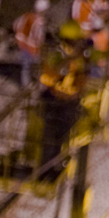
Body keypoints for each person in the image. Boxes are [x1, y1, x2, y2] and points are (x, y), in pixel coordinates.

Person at [35, 20, 90, 180]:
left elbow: (82, 79)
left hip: (68, 102)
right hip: (53, 101)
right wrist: (68, 62)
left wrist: (75, 91)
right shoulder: (56, 55)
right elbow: (47, 77)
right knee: (49, 135)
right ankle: (44, 171)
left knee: (61, 135)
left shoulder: (81, 59)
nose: (78, 44)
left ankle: (53, 167)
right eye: (75, 41)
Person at [12, 0, 49, 88]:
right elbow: (39, 37)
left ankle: (25, 85)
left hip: (22, 46)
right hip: (32, 48)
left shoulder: (25, 16)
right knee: (37, 67)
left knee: (25, 68)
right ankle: (38, 86)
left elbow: (15, 25)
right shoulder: (39, 21)